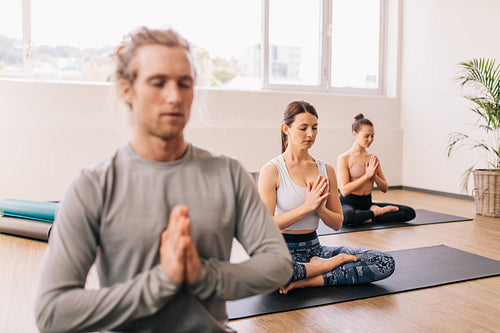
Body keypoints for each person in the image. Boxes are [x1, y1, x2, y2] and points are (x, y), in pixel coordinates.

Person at [35, 27, 292, 333]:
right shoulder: (91, 187)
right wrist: (162, 281)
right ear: (127, 90)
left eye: (184, 83)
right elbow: (52, 313)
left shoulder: (229, 174)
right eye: (158, 83)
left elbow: (278, 264)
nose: (174, 96)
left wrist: (201, 275)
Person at [258, 100, 395, 294]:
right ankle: (326, 266)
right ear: (285, 129)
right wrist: (307, 206)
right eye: (303, 128)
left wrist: (320, 209)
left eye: (314, 128)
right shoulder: (271, 170)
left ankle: (308, 279)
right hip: (279, 252)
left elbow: (337, 223)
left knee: (384, 262)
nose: (310, 134)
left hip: (315, 250)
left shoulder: (325, 170)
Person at [337, 114, 416, 226]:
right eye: (366, 136)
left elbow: (384, 188)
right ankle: (376, 213)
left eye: (372, 136)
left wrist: (374, 176)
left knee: (409, 212)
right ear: (355, 134)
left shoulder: (373, 158)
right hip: (348, 203)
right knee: (347, 217)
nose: (370, 139)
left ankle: (368, 215)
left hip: (367, 203)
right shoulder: (344, 158)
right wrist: (367, 176)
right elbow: (344, 190)